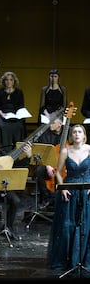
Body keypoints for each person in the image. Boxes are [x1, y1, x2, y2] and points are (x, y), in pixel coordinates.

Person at [47, 124, 90, 272]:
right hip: (70, 191)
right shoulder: (65, 151)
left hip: (87, 191)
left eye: (80, 132)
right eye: (74, 132)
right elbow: (58, 172)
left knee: (85, 225)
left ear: (84, 135)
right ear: (71, 136)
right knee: (67, 226)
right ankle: (68, 260)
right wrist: (63, 187)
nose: (77, 134)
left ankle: (83, 259)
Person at [33, 115, 65, 210]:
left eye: (52, 122)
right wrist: (48, 166)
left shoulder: (68, 132)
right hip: (48, 163)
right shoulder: (45, 134)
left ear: (60, 124)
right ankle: (46, 197)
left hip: (64, 164)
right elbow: (42, 152)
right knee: (39, 170)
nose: (50, 124)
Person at [0, 71, 27, 153]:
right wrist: (2, 114)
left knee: (19, 126)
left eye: (11, 80)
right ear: (4, 81)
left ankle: (17, 151)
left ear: (14, 81)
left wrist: (18, 115)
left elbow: (21, 106)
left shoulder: (19, 92)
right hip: (3, 114)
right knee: (3, 127)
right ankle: (5, 150)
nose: (9, 82)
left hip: (15, 115)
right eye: (7, 80)